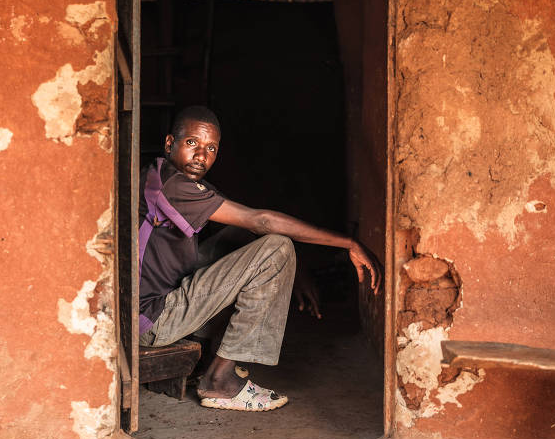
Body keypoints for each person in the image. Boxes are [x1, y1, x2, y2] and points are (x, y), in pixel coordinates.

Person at [139, 106, 382, 411]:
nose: (201, 156)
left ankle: (212, 355)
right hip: (154, 321)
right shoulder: (172, 186)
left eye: (211, 148)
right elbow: (261, 221)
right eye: (192, 144)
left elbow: (248, 231)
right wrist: (349, 242)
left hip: (160, 302)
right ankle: (220, 381)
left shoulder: (164, 175)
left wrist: (297, 271)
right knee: (277, 248)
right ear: (169, 143)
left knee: (240, 237)